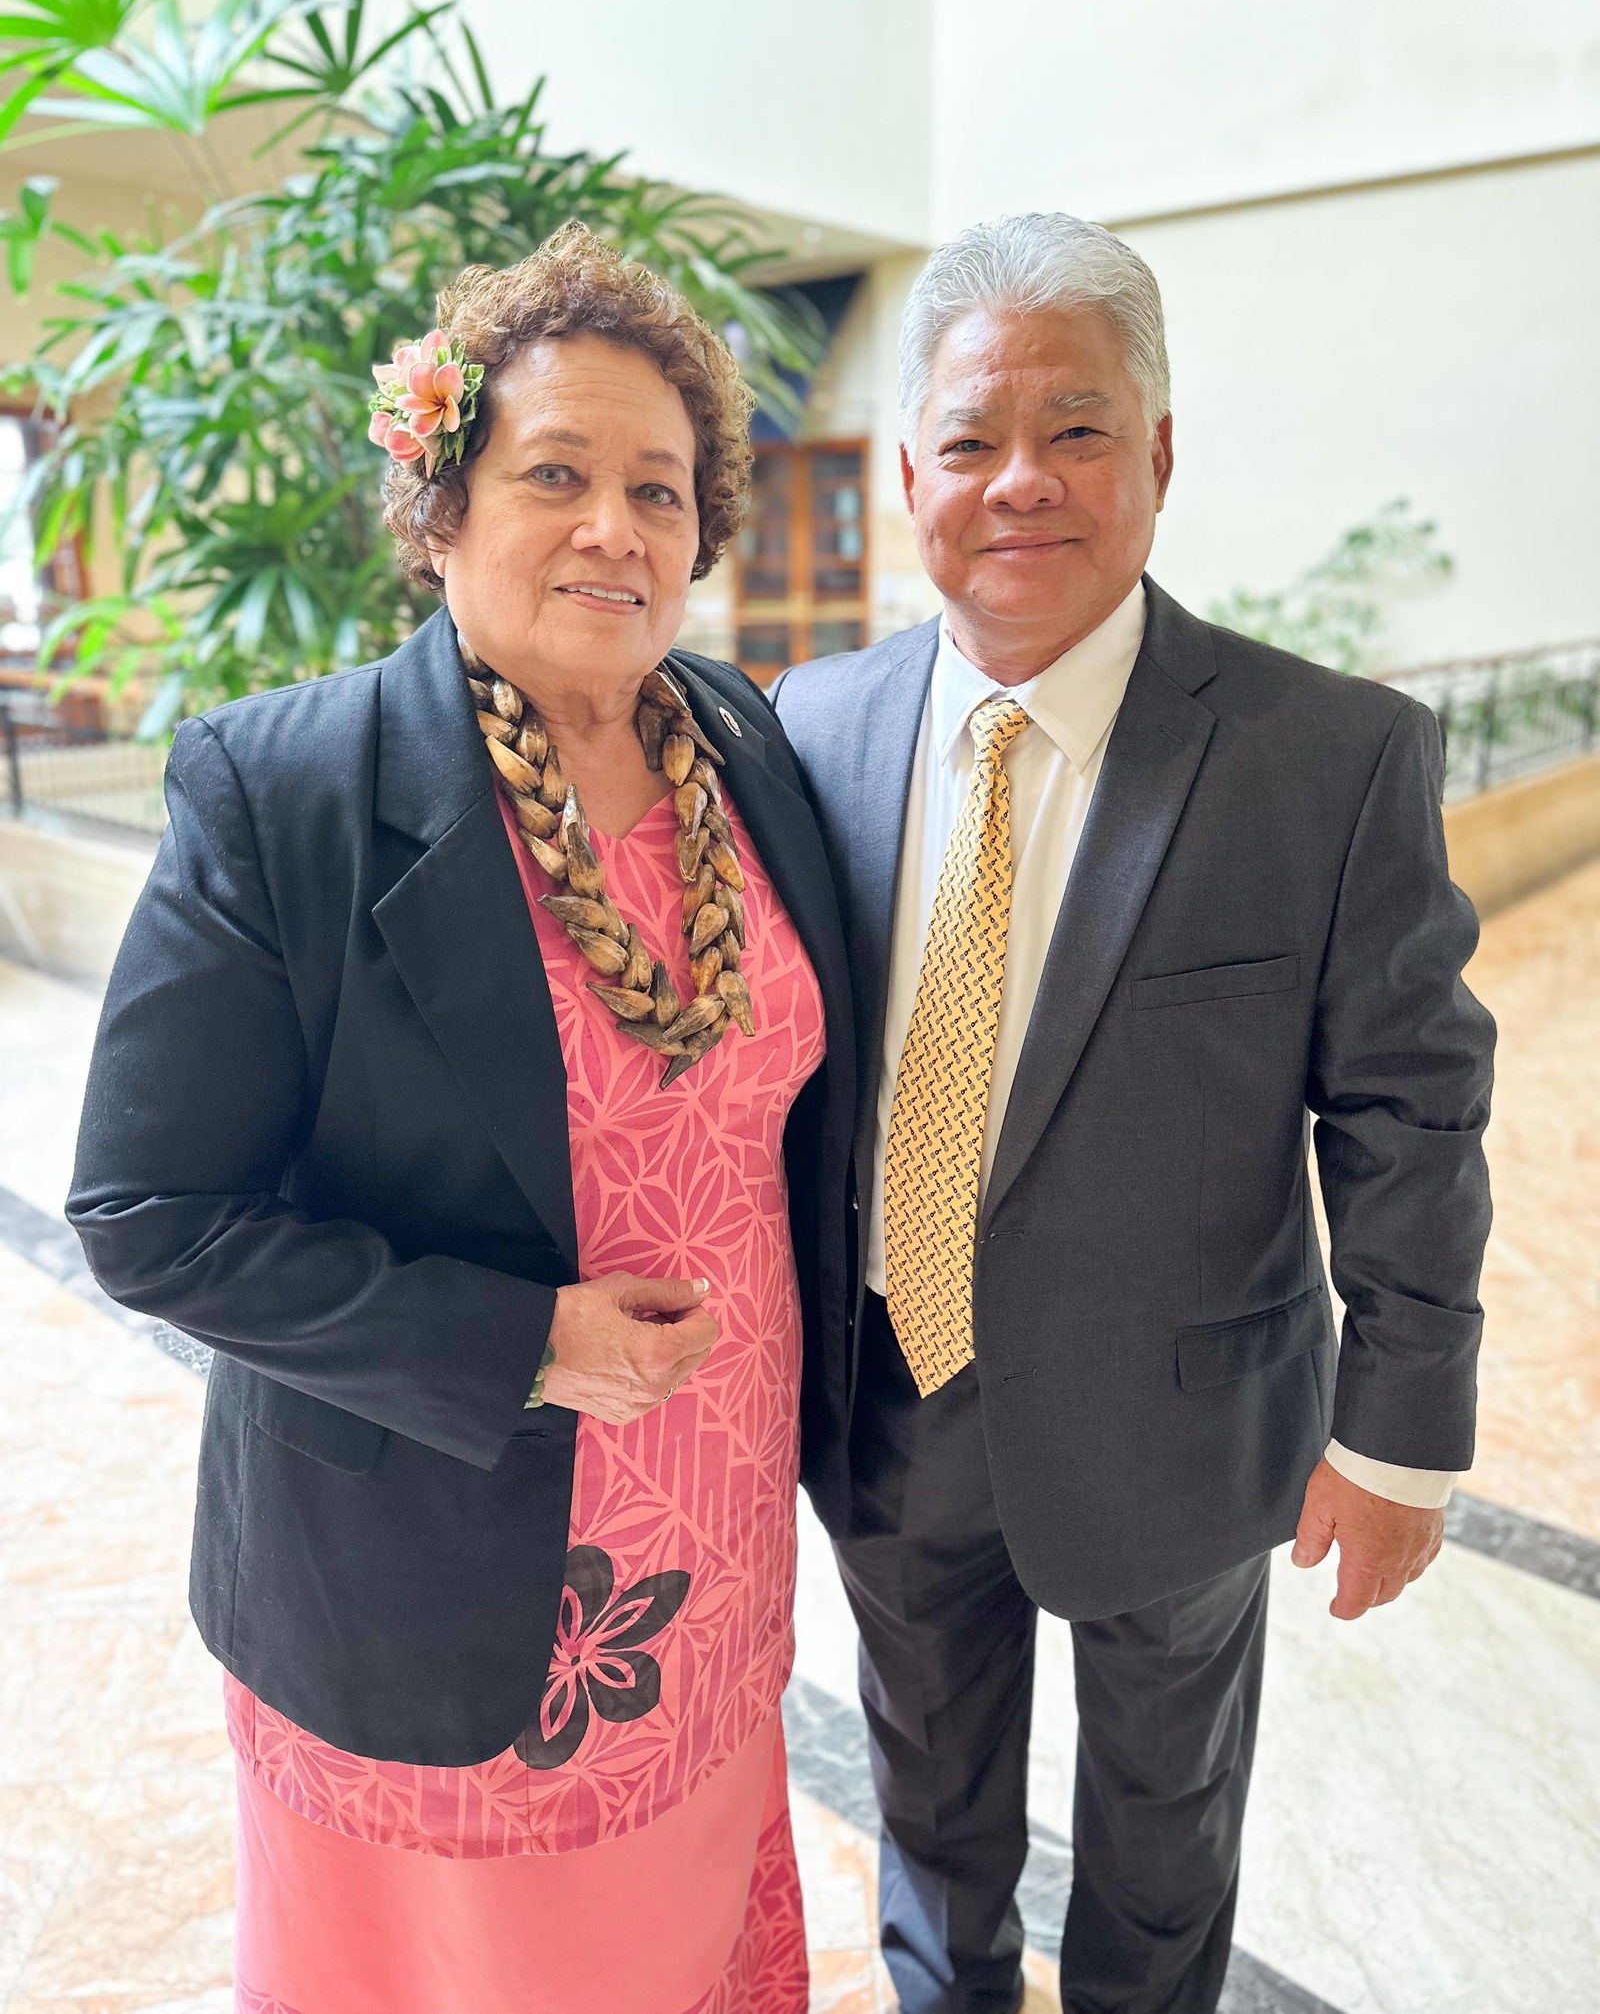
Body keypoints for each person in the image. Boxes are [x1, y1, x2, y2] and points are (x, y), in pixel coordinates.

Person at [67, 224, 853, 2014]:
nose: (613, 527)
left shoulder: (736, 740)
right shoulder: (287, 791)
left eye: (660, 489)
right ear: (440, 507)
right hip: (435, 1559)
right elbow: (145, 1208)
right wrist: (520, 1343)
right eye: (554, 472)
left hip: (715, 1535)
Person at [774, 211, 1494, 2014]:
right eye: (971, 439)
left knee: (1165, 1841)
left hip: (1181, 1428)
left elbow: (1410, 1104)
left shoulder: (1325, 757)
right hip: (889, 1403)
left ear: (1159, 454)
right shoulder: (813, 724)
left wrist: (1401, 1433)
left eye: (1077, 430)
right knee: (931, 1810)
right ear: (911, 470)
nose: (1022, 480)